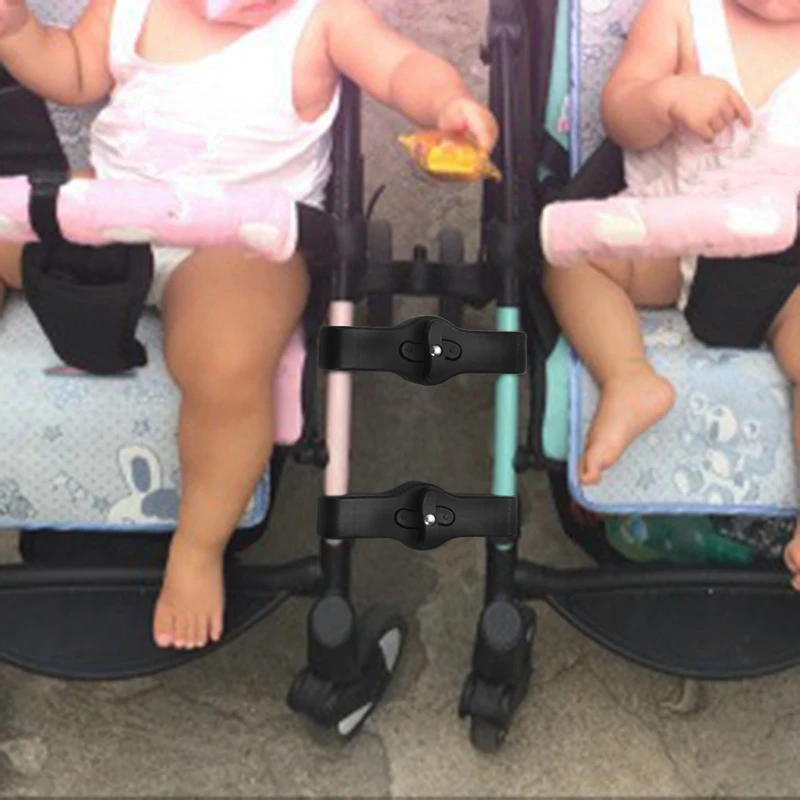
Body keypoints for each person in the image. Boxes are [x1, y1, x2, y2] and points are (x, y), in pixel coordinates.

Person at [0, 0, 499, 647]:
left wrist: (446, 102)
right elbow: (72, 70)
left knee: (227, 360)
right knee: (20, 213)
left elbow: (401, 66)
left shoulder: (323, 18)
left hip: (237, 244)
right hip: (110, 214)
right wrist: (19, 33)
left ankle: (197, 546)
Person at [542, 0, 800, 586]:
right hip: (675, 235)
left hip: (786, 269)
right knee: (567, 255)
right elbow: (620, 113)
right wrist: (664, 99)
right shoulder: (682, 13)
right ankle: (629, 376)